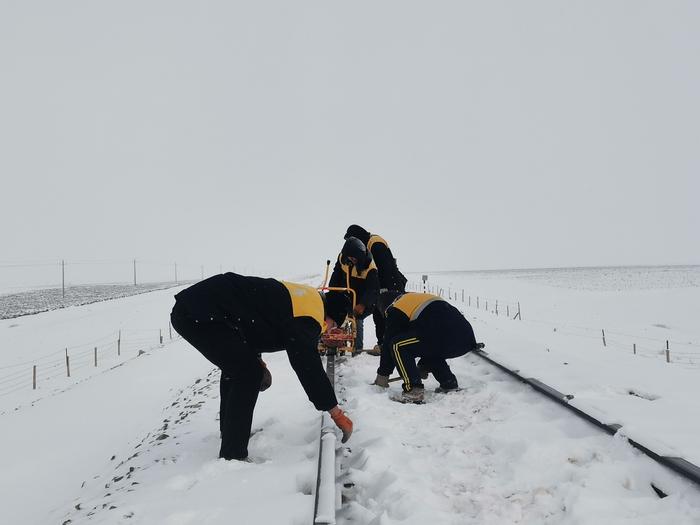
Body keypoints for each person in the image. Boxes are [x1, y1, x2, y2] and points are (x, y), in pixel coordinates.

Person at [170, 272, 353, 461]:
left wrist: (255, 357)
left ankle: (231, 434)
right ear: (329, 315)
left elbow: (255, 318)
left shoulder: (304, 298)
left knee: (239, 369)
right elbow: (307, 364)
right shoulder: (309, 316)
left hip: (198, 308)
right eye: (332, 326)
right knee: (248, 374)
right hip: (199, 314)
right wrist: (335, 412)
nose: (328, 331)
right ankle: (233, 455)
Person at [373, 291, 478, 404]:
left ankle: (414, 391)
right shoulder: (414, 299)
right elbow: (426, 337)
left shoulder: (395, 308)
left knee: (397, 345)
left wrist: (383, 375)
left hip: (444, 336)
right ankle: (449, 384)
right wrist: (424, 365)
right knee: (429, 345)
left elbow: (389, 341)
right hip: (465, 340)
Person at [343, 225, 407, 354]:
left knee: (390, 315)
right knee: (379, 316)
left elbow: (385, 268)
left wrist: (383, 288)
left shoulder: (375, 243)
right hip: (383, 285)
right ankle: (383, 344)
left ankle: (396, 345)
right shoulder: (366, 245)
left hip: (390, 285)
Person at [328, 236, 379, 351]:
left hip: (361, 297)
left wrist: (363, 304)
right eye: (349, 258)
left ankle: (357, 349)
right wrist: (332, 292)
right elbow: (336, 273)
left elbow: (372, 290)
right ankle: (332, 337)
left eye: (353, 258)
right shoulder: (343, 258)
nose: (350, 260)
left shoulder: (370, 268)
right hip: (346, 292)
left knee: (356, 319)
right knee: (332, 309)